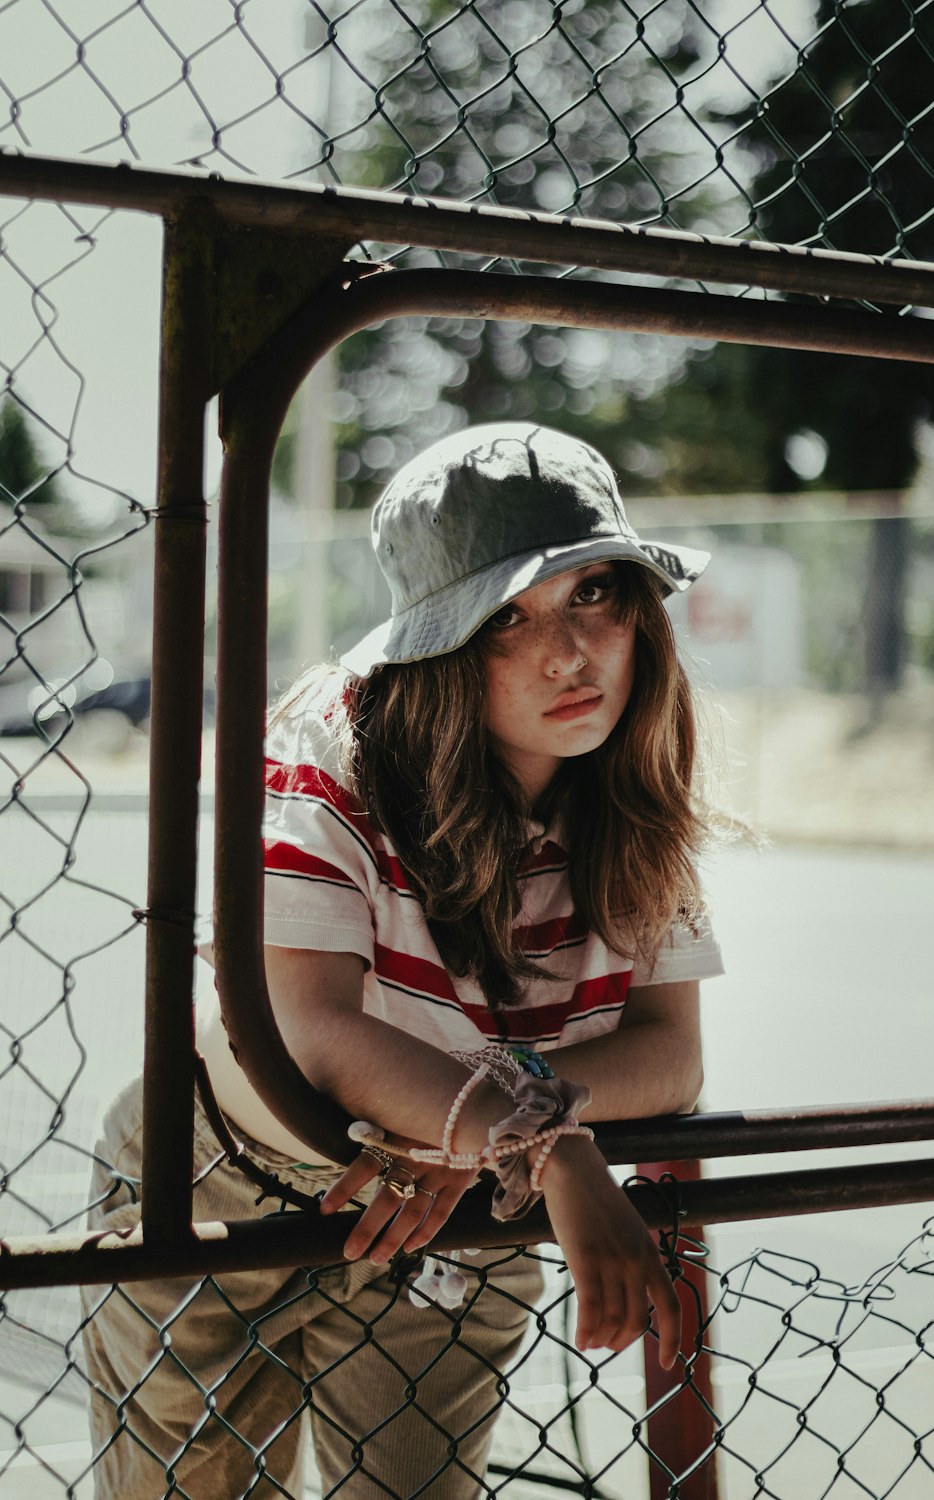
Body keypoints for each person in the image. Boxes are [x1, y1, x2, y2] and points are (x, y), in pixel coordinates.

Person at [82, 422, 724, 1499]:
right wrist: (542, 1142)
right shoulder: (334, 745)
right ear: (437, 639)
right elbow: (308, 1028)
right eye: (506, 619)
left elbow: (670, 1054)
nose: (569, 655)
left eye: (592, 596)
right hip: (232, 1178)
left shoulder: (634, 789)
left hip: (458, 1209)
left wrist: (473, 1134)